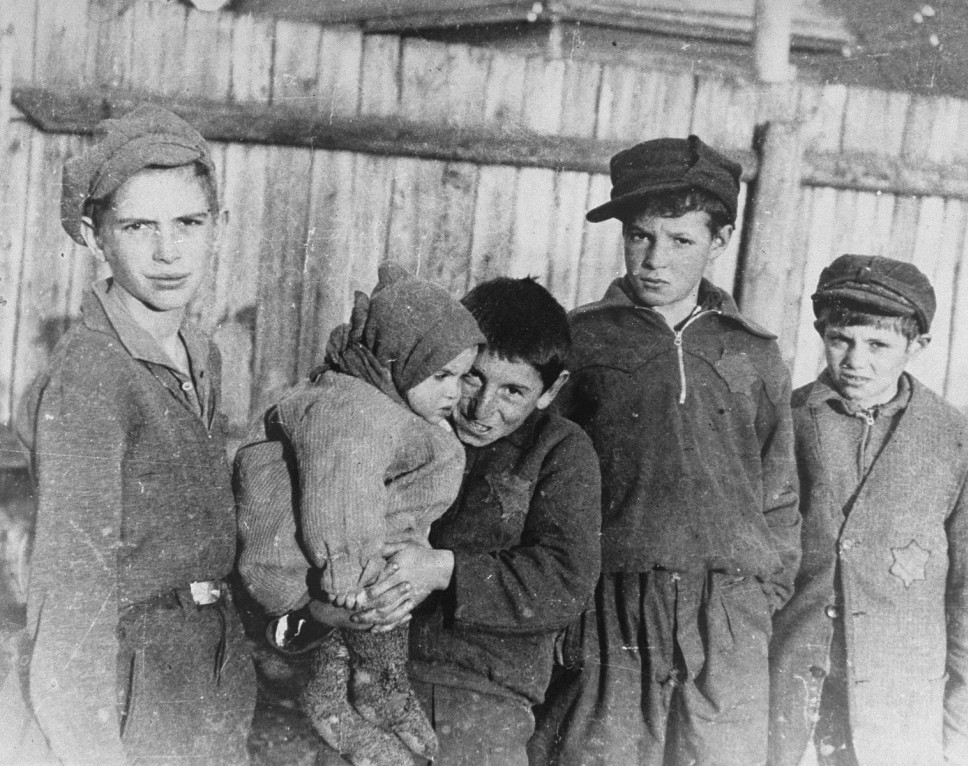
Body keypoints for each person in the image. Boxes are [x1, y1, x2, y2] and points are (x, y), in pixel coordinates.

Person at [529, 136, 801, 766]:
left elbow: (779, 489)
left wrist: (760, 594)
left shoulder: (752, 352)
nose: (655, 259)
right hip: (611, 605)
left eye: (681, 241)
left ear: (720, 242)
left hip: (724, 611)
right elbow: (541, 473)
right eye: (640, 236)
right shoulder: (581, 340)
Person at [0, 105, 257, 764]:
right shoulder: (92, 372)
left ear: (218, 228)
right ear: (94, 237)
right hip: (123, 691)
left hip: (206, 675)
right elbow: (69, 595)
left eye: (189, 223)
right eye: (138, 226)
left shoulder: (201, 353)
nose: (169, 252)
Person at [768, 255, 968, 766]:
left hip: (898, 723)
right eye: (841, 339)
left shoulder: (962, 445)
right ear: (821, 332)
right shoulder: (782, 425)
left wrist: (964, 742)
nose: (856, 360)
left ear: (916, 346)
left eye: (878, 344)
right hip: (789, 708)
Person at [234, 264, 484, 766]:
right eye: (441, 376)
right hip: (297, 563)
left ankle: (379, 686)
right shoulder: (352, 412)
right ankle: (339, 706)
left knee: (377, 599)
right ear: (396, 361)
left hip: (327, 558)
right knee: (335, 643)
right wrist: (347, 570)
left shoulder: (380, 404)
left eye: (462, 377)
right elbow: (340, 491)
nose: (455, 393)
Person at [350, 276, 602, 766]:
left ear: (551, 391)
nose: (483, 408)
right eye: (473, 378)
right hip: (369, 677)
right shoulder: (402, 422)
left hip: (481, 695)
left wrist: (442, 569)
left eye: (513, 390)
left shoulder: (559, 452)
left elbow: (565, 579)